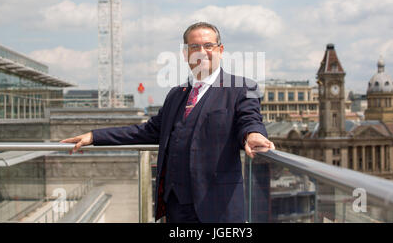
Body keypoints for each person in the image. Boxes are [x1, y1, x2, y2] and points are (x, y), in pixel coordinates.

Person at [60, 22, 275, 223]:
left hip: (216, 205)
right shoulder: (176, 94)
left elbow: (250, 119)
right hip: (175, 204)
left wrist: (254, 134)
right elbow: (148, 131)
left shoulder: (241, 87)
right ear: (186, 54)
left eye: (208, 45)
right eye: (194, 46)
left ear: (220, 50)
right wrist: (94, 137)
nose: (202, 51)